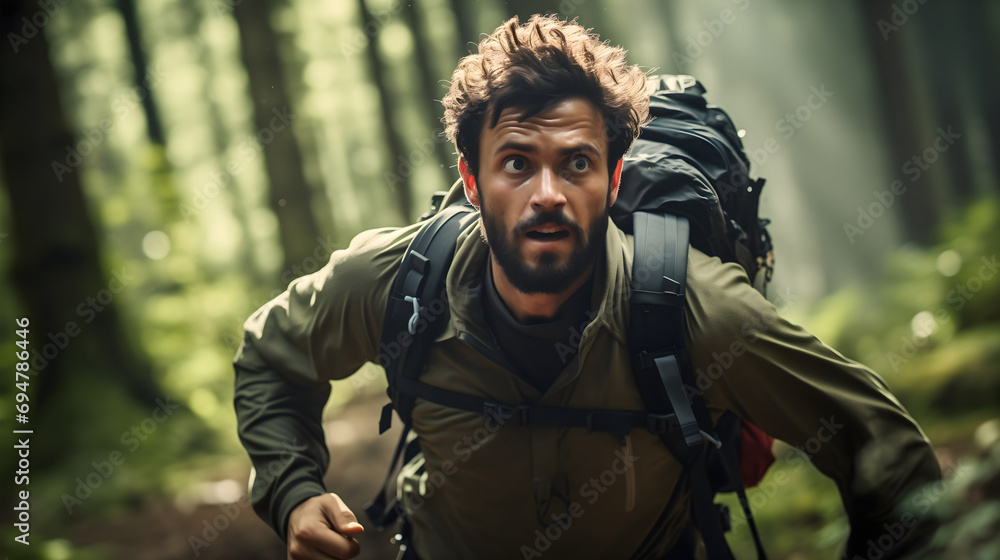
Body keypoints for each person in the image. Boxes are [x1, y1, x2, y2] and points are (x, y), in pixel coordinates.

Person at [233, 14, 942, 560]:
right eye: (517, 163)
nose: (548, 194)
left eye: (576, 162)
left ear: (615, 179)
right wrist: (294, 494)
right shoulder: (397, 282)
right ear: (472, 181)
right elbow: (271, 354)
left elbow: (882, 442)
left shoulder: (694, 310)